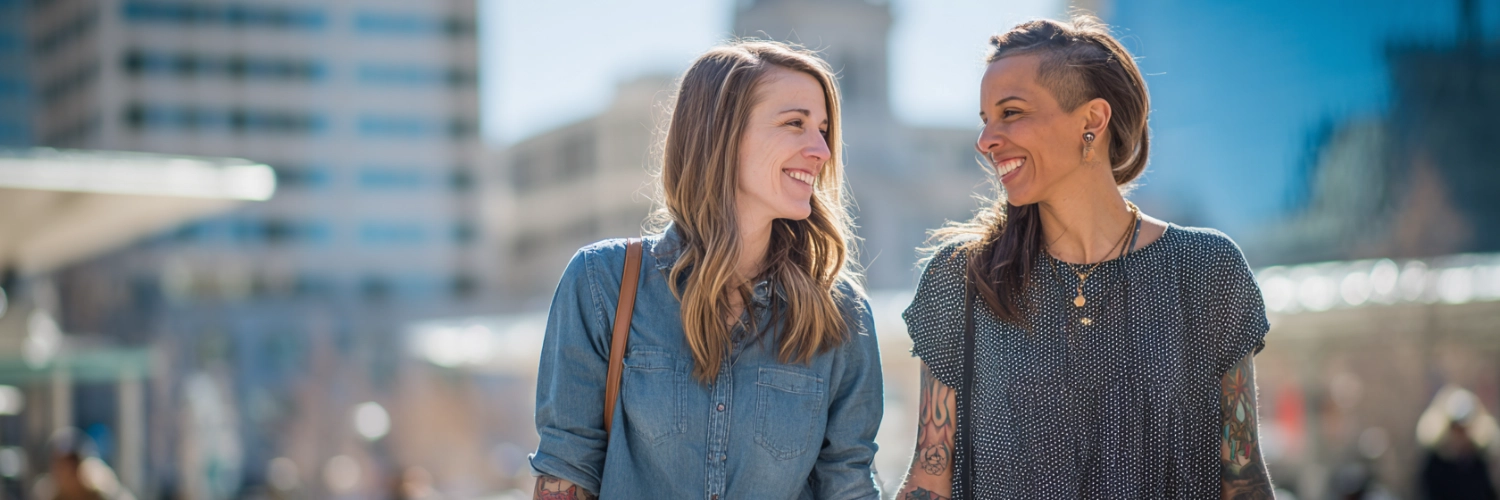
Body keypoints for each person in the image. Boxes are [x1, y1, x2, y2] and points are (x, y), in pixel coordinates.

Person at [895, 15, 1274, 499]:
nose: (986, 139)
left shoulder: (1207, 270)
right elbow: (930, 477)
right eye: (985, 118)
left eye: (1010, 113)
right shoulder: (961, 280)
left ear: (1092, 121)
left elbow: (1242, 477)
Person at [529, 40, 883, 499]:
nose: (821, 150)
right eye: (795, 123)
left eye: (823, 129)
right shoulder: (602, 283)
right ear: (721, 133)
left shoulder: (841, 313)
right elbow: (566, 468)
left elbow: (848, 483)